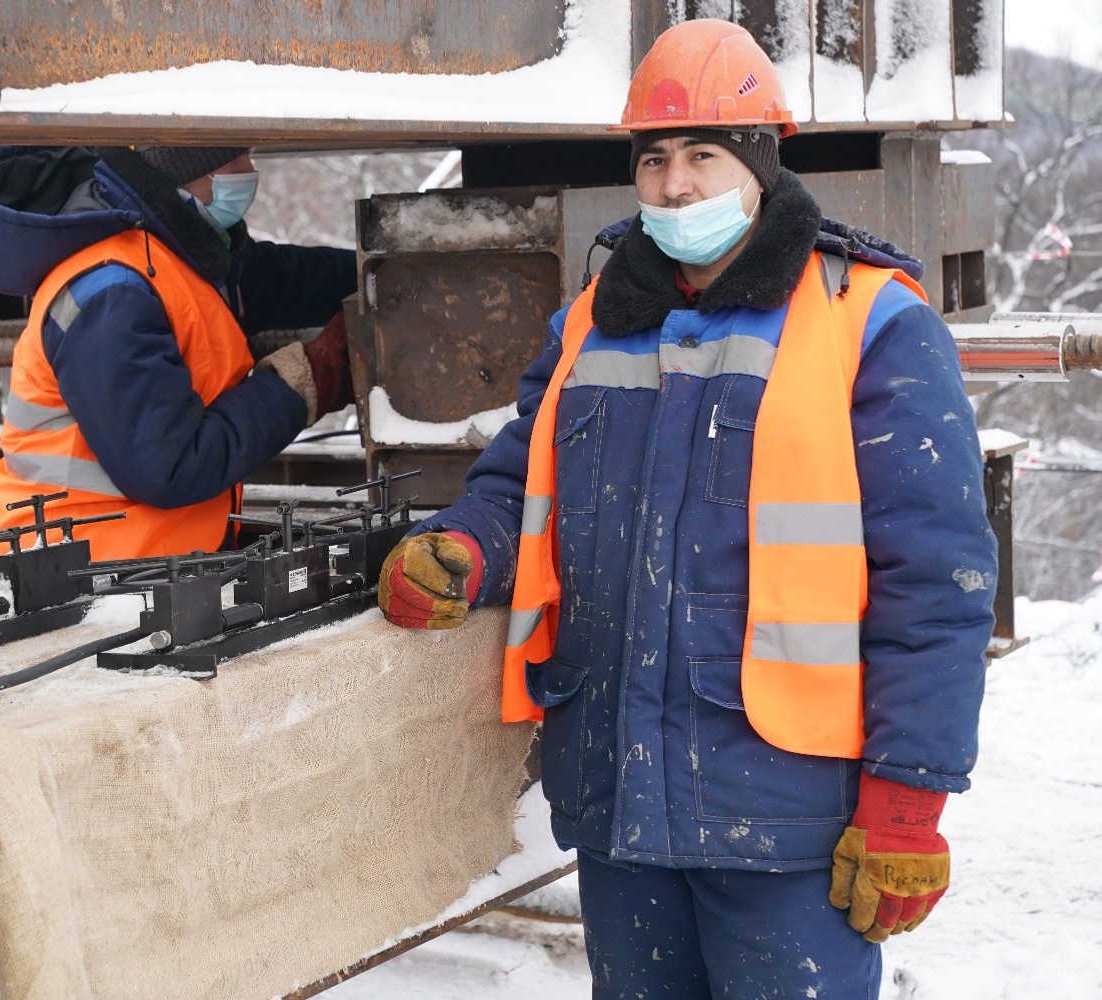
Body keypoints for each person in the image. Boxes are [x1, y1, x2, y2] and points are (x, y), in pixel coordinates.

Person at [376, 19, 996, 999]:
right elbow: (523, 482)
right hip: (620, 803)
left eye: (704, 154)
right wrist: (463, 548)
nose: (673, 185)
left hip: (788, 817)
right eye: (654, 157)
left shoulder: (870, 319)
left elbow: (936, 581)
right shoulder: (593, 321)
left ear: (761, 162)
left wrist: (909, 800)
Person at [0, 145, 356, 560]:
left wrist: (376, 266)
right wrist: (306, 380)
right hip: (77, 568)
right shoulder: (115, 294)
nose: (249, 171)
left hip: (137, 558)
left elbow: (284, 280)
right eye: (234, 161)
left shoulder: (178, 254)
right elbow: (170, 466)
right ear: (186, 172)